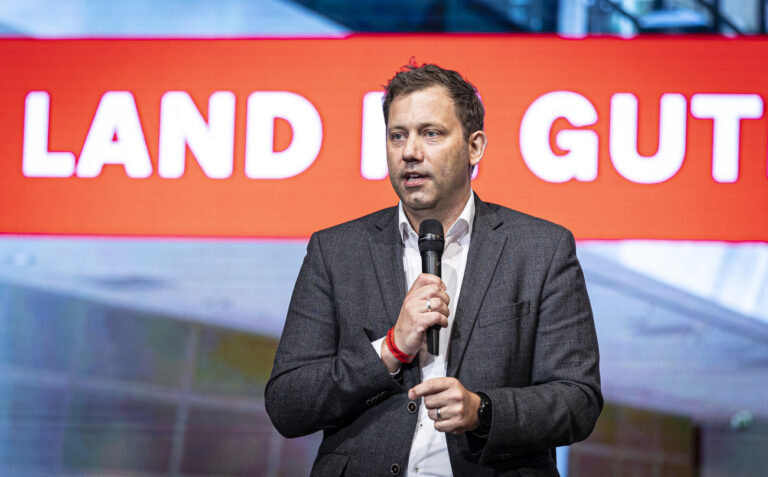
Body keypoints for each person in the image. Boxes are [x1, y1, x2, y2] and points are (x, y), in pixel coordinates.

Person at [265, 62, 602, 476]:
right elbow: (288, 403)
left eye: (431, 133)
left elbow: (578, 399)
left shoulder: (541, 248)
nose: (410, 151)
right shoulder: (336, 250)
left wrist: (484, 410)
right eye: (397, 135)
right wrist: (388, 350)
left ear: (474, 147)